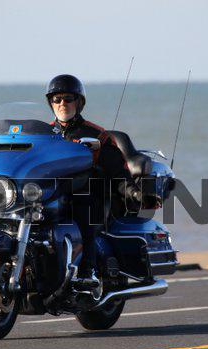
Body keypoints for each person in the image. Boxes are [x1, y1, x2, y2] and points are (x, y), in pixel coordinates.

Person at [45, 74, 142, 289]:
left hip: (88, 195)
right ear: (50, 102)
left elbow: (118, 171)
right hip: (53, 194)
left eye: (68, 98)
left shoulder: (97, 135)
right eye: (57, 99)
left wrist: (133, 191)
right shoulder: (44, 134)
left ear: (79, 102)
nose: (62, 104)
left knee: (83, 210)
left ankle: (88, 270)